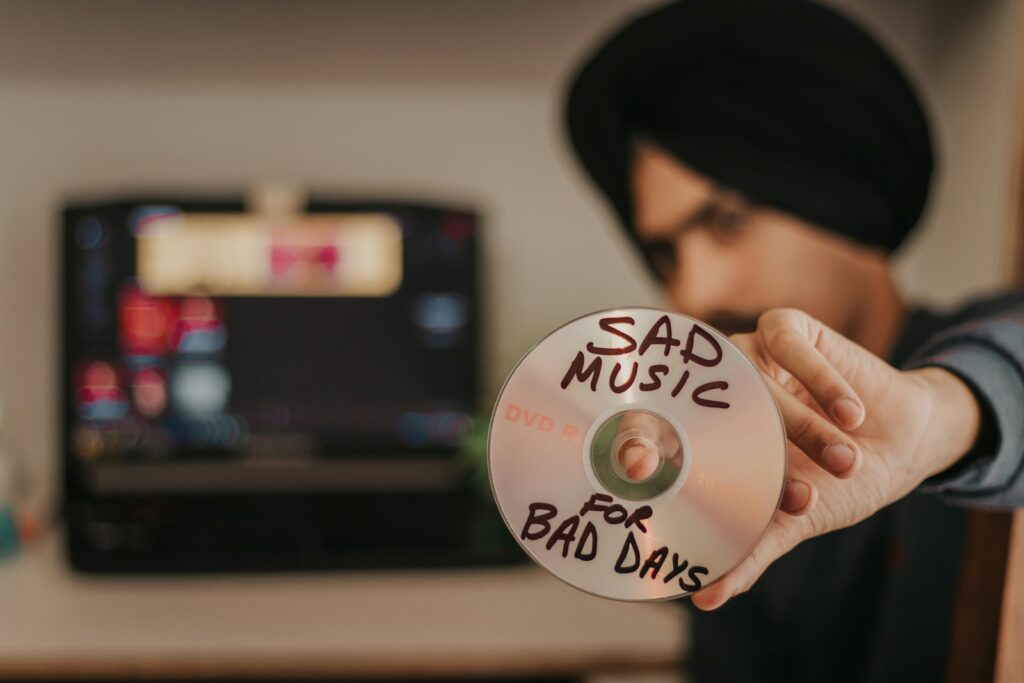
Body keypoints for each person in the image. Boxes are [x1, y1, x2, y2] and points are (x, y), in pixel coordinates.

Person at [563, 0, 1024, 680]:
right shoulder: (726, 463)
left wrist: (942, 417)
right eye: (664, 255)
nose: (692, 293)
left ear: (842, 201)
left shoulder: (981, 343)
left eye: (726, 222)